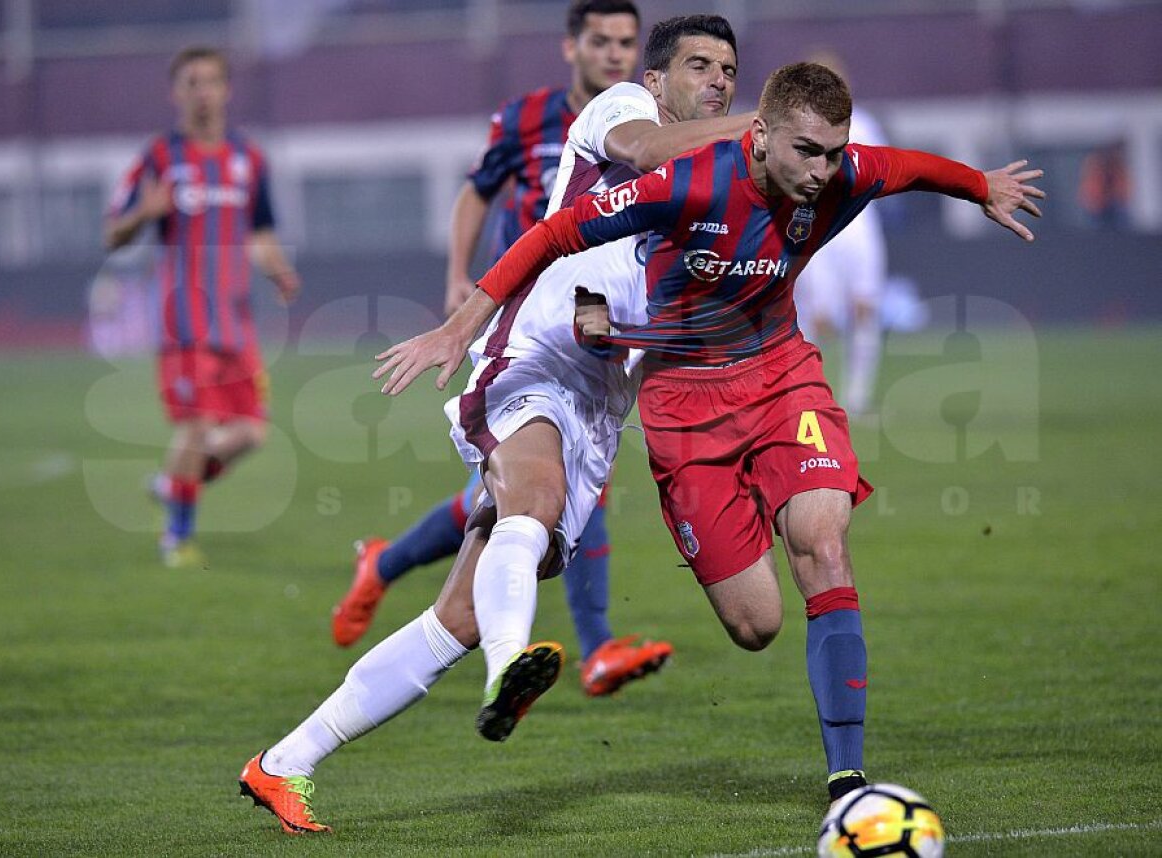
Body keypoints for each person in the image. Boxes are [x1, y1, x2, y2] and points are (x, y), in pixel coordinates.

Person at [374, 62, 1044, 808]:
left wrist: (982, 186)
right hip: (684, 402)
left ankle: (847, 779)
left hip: (782, 373)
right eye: (806, 152)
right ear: (759, 139)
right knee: (756, 625)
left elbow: (914, 169)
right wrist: (461, 323)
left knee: (824, 540)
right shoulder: (688, 184)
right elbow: (558, 231)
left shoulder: (847, 174)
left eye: (835, 152)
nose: (824, 171)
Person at [239, 15, 752, 834]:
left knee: (458, 617)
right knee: (533, 499)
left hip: (597, 404)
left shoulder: (714, 190)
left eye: (730, 69)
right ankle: (511, 670)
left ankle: (281, 764)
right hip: (532, 359)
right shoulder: (622, 109)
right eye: (700, 65)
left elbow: (665, 313)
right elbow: (645, 155)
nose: (720, 81)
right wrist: (768, 126)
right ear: (657, 81)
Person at [332, 0, 672, 699]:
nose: (613, 54)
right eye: (600, 41)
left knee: (508, 502)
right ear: (569, 47)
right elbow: (477, 191)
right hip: (523, 317)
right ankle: (596, 647)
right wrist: (461, 278)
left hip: (586, 320)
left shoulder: (653, 130)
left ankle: (386, 562)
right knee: (553, 490)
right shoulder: (529, 119)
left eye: (626, 43)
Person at [104, 46, 300, 568]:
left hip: (234, 324)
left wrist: (277, 269)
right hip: (182, 322)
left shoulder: (249, 159)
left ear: (227, 90)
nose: (203, 92)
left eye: (211, 81)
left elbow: (258, 231)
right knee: (195, 426)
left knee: (250, 433)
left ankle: (174, 484)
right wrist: (142, 214)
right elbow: (113, 235)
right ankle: (177, 538)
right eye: (192, 82)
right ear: (177, 93)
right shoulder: (159, 158)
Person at [794, 50, 888, 417]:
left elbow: (883, 175)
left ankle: (858, 399)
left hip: (861, 225)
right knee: (818, 317)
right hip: (817, 227)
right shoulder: (796, 129)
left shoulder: (862, 124)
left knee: (866, 309)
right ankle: (802, 397)